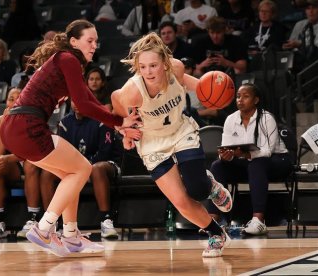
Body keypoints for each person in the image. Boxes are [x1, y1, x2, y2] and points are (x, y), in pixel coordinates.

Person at [0, 19, 140, 257]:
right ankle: (44, 228)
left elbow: (90, 100)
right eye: (89, 40)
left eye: (96, 40)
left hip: (15, 128)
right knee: (82, 168)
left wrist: (119, 126)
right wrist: (120, 122)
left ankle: (72, 236)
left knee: (70, 174)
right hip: (27, 126)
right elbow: (84, 106)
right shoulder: (68, 59)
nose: (95, 45)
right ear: (73, 41)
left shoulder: (67, 62)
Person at [111, 32, 233, 258]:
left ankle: (211, 185)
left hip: (180, 130)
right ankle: (216, 234)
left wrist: (213, 91)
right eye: (143, 67)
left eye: (153, 65)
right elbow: (116, 103)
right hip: (152, 142)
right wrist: (125, 131)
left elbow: (191, 84)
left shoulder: (176, 69)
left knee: (198, 189)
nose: (148, 72)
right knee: (180, 201)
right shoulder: (133, 91)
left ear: (164, 63)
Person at [208, 83, 293, 235]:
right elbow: (225, 147)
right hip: (248, 162)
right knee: (217, 165)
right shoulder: (230, 119)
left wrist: (244, 155)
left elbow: (267, 151)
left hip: (277, 161)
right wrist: (225, 156)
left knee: (256, 164)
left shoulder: (267, 118)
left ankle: (258, 221)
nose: (240, 100)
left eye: (246, 96)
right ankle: (213, 219)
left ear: (256, 100)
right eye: (238, 96)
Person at [42, 100, 120, 239]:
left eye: (80, 99)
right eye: (74, 100)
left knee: (96, 169)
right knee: (47, 173)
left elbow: (105, 152)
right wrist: (79, 168)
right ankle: (52, 224)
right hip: (77, 167)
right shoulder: (65, 123)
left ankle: (106, 220)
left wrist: (84, 167)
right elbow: (61, 153)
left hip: (106, 164)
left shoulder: (101, 119)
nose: (77, 104)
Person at [0, 88, 41, 239]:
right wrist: (5, 125)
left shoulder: (32, 118)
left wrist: (9, 159)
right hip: (14, 164)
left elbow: (32, 152)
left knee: (30, 164)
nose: (14, 102)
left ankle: (33, 218)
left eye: (18, 98)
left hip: (33, 160)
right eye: (10, 98)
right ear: (6, 103)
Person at [282, 0, 318, 69]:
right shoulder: (299, 24)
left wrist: (300, 45)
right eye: (308, 8)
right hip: (297, 63)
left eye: (314, 8)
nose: (311, 11)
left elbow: (315, 52)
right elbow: (291, 46)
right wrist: (287, 46)